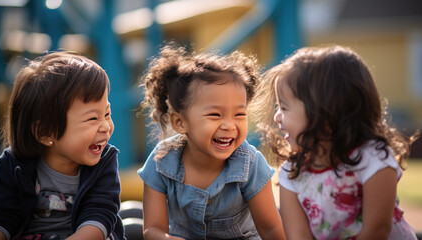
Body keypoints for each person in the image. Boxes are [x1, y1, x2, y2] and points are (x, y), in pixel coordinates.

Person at [251, 45, 419, 239]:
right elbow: (299, 236)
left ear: (325, 113)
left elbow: (377, 230)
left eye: (284, 107)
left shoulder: (373, 158)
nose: (277, 117)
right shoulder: (292, 171)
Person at [137, 43, 286, 240]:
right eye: (215, 115)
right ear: (180, 122)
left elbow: (271, 230)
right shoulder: (162, 162)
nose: (229, 125)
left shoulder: (250, 164)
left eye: (239, 114)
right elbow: (153, 229)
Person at [0, 51, 125, 240]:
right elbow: (2, 217)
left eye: (107, 114)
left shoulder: (104, 163)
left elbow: (99, 217)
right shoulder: (13, 165)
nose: (105, 126)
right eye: (92, 118)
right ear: (45, 133)